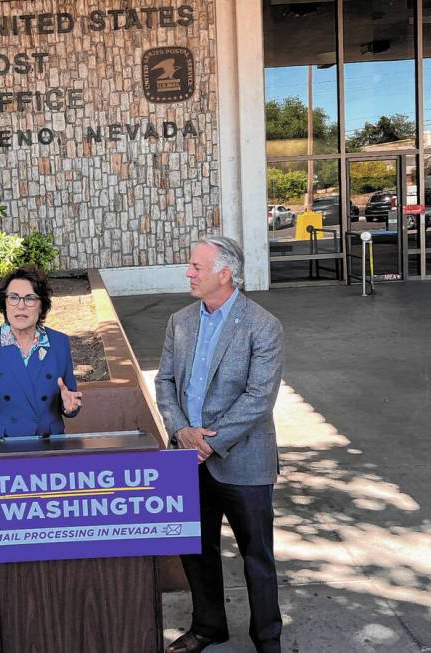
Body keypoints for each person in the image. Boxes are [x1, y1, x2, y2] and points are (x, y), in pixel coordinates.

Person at [156, 236, 284, 653]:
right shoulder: (180, 321)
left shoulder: (262, 325)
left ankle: (267, 640)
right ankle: (208, 626)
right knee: (195, 549)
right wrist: (180, 431)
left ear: (225, 274)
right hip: (186, 458)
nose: (188, 273)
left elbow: (259, 397)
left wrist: (209, 442)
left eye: (196, 266)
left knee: (257, 558)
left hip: (243, 460)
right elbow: (166, 382)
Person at [0, 265, 82, 452]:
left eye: (30, 298)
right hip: (0, 446)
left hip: (49, 445)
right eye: (13, 298)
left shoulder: (59, 342)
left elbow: (70, 397)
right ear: (4, 303)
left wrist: (70, 407)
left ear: (41, 306)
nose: (21, 305)